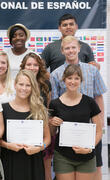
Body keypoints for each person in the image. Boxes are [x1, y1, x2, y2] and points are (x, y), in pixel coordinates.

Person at [50, 36, 107, 180]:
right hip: (66, 137)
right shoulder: (55, 74)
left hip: (89, 130)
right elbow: (54, 107)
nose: (70, 51)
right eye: (67, 48)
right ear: (62, 50)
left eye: (73, 47)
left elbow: (99, 96)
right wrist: (52, 122)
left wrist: (101, 123)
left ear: (79, 48)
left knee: (97, 166)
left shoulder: (92, 71)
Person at [0, 70, 51, 180]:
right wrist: (8, 145)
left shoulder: (39, 109)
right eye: (21, 84)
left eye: (28, 85)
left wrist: (40, 148)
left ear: (33, 87)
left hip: (34, 161)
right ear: (15, 85)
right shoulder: (3, 109)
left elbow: (47, 138)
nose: (24, 88)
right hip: (10, 160)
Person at [20, 52, 52, 180]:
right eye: (29, 64)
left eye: (35, 65)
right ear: (23, 66)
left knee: (45, 170)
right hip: (22, 131)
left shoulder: (45, 84)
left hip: (42, 131)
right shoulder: (19, 83)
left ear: (39, 67)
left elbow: (48, 107)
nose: (32, 67)